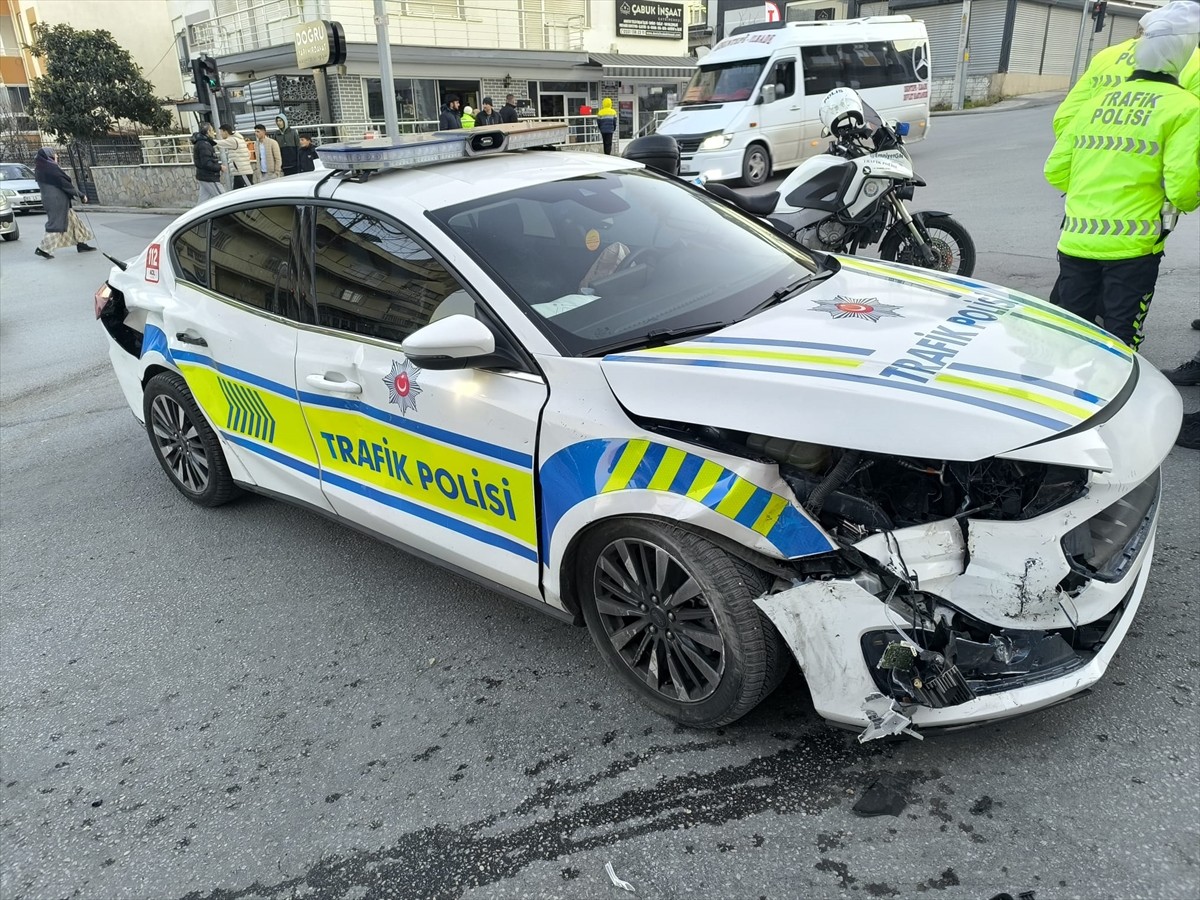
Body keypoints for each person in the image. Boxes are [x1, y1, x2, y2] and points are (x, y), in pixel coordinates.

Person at [1043, 7, 1200, 350]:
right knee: (1120, 340)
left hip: (1075, 241)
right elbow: (1184, 190)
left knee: (1071, 333)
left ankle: (1067, 399)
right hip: (1133, 246)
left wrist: (1095, 179)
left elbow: (1054, 170)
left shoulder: (1097, 101)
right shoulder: (1185, 107)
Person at [1053, 0, 1200, 137]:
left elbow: (1065, 117)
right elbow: (1191, 137)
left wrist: (1090, 151)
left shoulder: (1106, 56)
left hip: (1088, 159)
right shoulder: (1195, 63)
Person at [32, 147, 95, 259]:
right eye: (55, 154)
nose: (57, 156)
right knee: (57, 224)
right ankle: (43, 249)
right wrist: (81, 195)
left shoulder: (42, 168)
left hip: (54, 201)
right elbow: (65, 184)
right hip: (57, 202)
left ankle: (81, 244)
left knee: (74, 221)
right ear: (49, 156)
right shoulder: (51, 169)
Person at [191, 123, 225, 204]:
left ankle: (197, 215)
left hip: (204, 176)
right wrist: (219, 167)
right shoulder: (204, 145)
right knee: (224, 199)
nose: (214, 132)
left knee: (202, 203)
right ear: (208, 132)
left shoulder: (202, 143)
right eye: (212, 130)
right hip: (209, 177)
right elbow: (206, 163)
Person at [217, 123, 252, 188]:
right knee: (238, 194)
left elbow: (219, 143)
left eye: (221, 132)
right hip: (240, 172)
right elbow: (248, 153)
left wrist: (207, 141)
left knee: (248, 192)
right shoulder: (238, 139)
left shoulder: (232, 140)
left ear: (225, 131)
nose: (220, 134)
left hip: (242, 173)